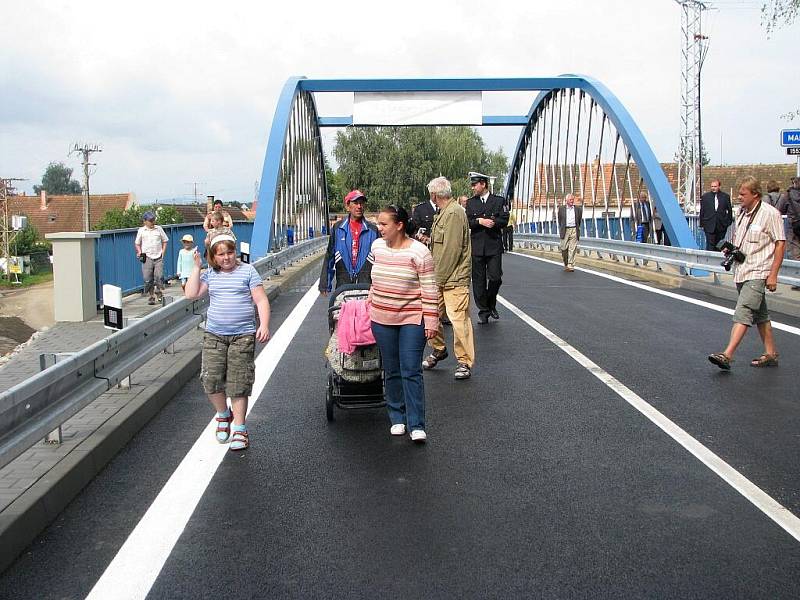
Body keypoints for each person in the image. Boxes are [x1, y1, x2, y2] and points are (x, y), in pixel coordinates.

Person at [184, 232, 271, 450]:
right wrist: (196, 267)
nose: (226, 258)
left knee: (239, 382)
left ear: (235, 252)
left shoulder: (247, 271)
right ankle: (224, 415)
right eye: (221, 254)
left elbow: (260, 300)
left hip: (243, 335)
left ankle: (240, 428)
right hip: (214, 334)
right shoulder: (210, 274)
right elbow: (191, 294)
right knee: (210, 379)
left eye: (230, 252)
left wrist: (264, 325)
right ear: (214, 256)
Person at [368, 205, 438, 443]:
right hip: (381, 318)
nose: (379, 228)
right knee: (392, 369)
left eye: (384, 224)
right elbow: (373, 282)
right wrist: (369, 306)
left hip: (411, 318)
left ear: (399, 225)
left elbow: (429, 289)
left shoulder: (419, 252)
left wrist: (431, 321)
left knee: (411, 369)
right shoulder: (376, 246)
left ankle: (416, 423)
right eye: (378, 223)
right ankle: (397, 417)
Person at [708, 177, 785, 370]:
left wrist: (773, 274)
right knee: (760, 314)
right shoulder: (741, 213)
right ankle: (771, 353)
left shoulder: (770, 214)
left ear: (755, 195)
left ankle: (727, 354)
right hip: (742, 270)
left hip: (758, 271)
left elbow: (780, 243)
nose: (739, 197)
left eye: (743, 194)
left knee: (744, 311)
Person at [421, 177, 475, 380]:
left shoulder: (453, 213)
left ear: (434, 195)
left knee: (458, 320)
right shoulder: (444, 213)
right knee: (431, 315)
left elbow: (451, 251)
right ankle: (439, 349)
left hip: (452, 279)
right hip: (442, 277)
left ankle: (464, 361)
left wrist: (436, 280)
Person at [466, 172, 508, 324]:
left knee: (495, 278)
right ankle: (483, 311)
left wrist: (493, 222)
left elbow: (504, 219)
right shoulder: (471, 203)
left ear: (483, 184)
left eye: (474, 184)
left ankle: (491, 303)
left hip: (493, 245)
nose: (472, 188)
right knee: (478, 281)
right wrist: (479, 221)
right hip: (477, 246)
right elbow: (468, 222)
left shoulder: (498, 200)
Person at [319, 189, 379, 295]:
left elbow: (380, 260)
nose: (359, 206)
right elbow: (330, 256)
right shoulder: (338, 228)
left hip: (366, 286)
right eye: (355, 203)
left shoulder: (373, 230)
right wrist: (324, 283)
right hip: (343, 286)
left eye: (361, 203)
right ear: (347, 206)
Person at [134, 211, 169, 305]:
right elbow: (137, 243)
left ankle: (158, 291)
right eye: (150, 220)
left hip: (158, 256)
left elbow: (165, 240)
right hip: (147, 256)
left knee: (159, 276)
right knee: (147, 278)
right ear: (145, 221)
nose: (152, 222)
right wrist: (139, 252)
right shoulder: (141, 230)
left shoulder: (159, 229)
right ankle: (151, 295)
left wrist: (163, 252)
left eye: (153, 220)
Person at [698, 179, 733, 251]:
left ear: (719, 186)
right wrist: (702, 224)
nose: (713, 188)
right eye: (712, 186)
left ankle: (717, 260)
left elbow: (729, 210)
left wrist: (728, 222)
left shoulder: (725, 197)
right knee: (710, 245)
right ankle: (709, 260)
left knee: (719, 245)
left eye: (715, 186)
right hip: (709, 224)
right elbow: (702, 211)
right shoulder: (705, 197)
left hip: (721, 225)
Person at [558, 194, 583, 271]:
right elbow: (560, 220)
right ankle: (566, 263)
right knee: (563, 248)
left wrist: (576, 228)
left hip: (574, 229)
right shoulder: (561, 209)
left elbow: (579, 219)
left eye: (573, 200)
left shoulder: (578, 209)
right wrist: (562, 227)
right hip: (565, 230)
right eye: (570, 200)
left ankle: (570, 264)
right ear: (566, 201)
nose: (572, 201)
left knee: (573, 248)